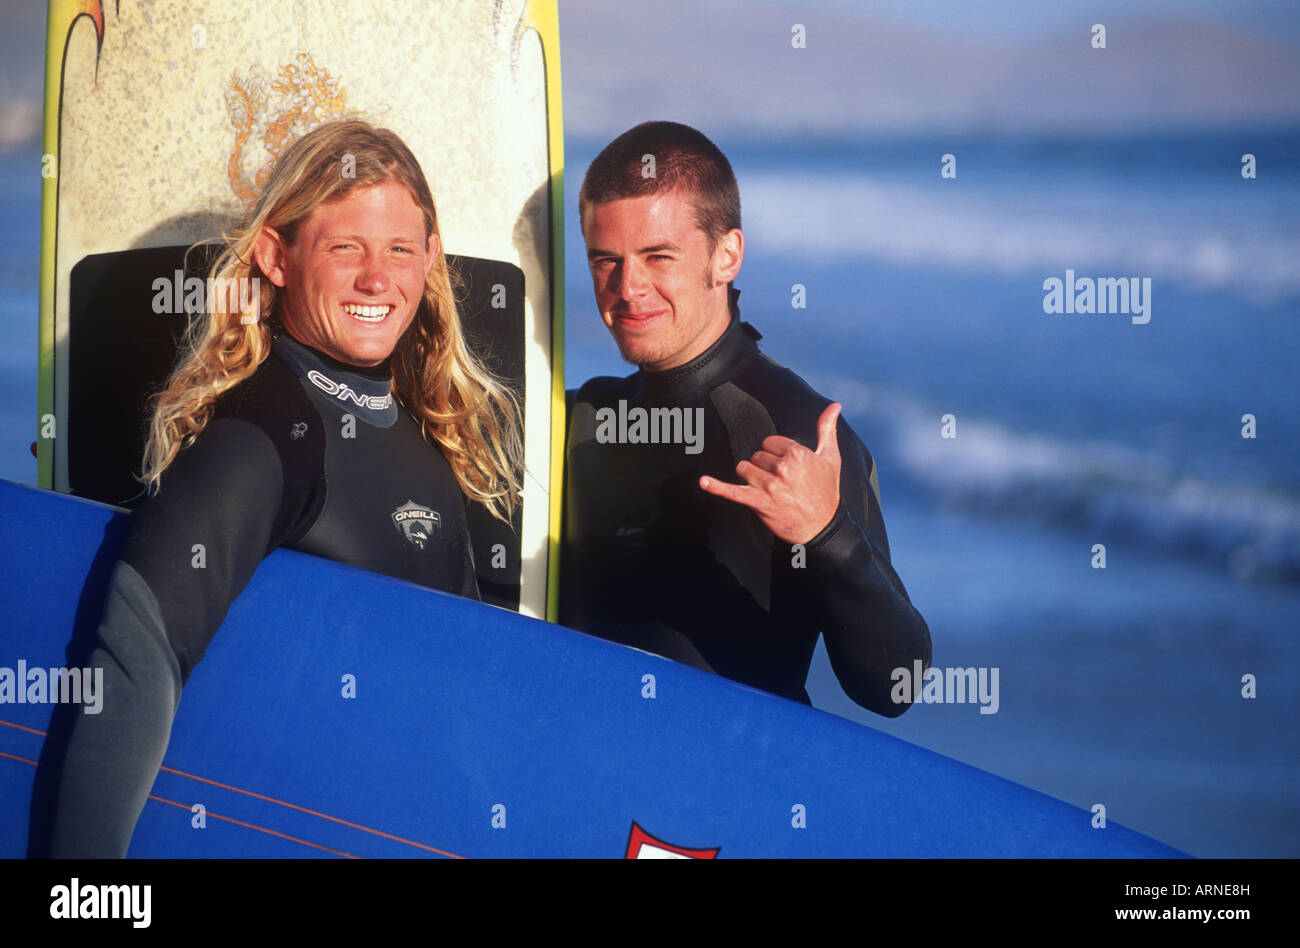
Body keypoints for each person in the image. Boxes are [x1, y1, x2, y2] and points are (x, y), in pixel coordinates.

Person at [50, 120, 522, 857]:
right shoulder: (264, 435)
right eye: (345, 249)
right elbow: (137, 657)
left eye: (400, 248)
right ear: (275, 255)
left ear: (430, 256)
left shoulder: (433, 431)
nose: (378, 278)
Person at [561, 121, 929, 715]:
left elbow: (897, 687)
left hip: (727, 789)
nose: (628, 288)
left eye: (658, 256)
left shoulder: (797, 433)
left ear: (726, 255)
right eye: (606, 260)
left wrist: (828, 533)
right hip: (585, 781)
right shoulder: (582, 417)